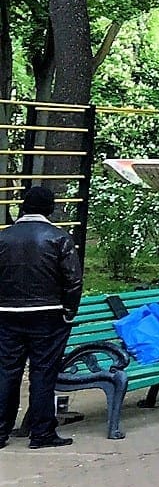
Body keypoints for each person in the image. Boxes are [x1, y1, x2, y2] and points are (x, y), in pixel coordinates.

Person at [1, 186, 83, 449]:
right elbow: (73, 281)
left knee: (7, 371)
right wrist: (69, 311)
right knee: (43, 373)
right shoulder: (59, 238)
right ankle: (41, 433)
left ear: (24, 207)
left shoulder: (3, 238)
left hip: (7, 314)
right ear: (50, 209)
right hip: (48, 315)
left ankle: (1, 431)